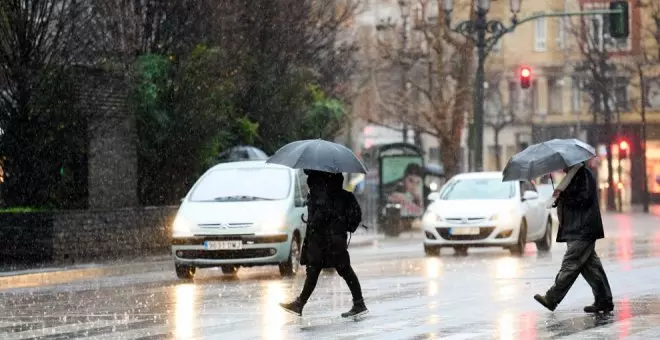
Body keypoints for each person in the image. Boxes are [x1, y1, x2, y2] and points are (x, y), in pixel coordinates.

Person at [279, 171, 368, 318]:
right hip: (334, 241)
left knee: (321, 272)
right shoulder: (344, 196)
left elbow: (320, 218)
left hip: (323, 241)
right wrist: (345, 226)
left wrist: (317, 215)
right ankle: (300, 304)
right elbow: (356, 216)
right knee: (340, 271)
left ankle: (359, 303)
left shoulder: (322, 196)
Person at [534, 162, 614, 314]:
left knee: (570, 264)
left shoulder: (583, 175)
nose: (562, 165)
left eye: (564, 162)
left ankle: (552, 298)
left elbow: (583, 199)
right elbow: (574, 198)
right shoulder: (573, 176)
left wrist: (564, 196)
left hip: (582, 229)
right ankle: (604, 300)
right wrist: (560, 198)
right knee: (591, 267)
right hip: (577, 228)